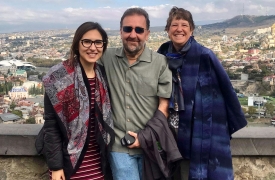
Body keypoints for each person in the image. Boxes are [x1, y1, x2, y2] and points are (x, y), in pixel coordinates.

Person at [157, 7, 247, 180]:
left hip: (199, 128)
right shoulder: (160, 56)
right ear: (167, 30)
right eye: (174, 25)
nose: (179, 29)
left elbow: (225, 91)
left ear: (191, 30)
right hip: (169, 129)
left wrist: (226, 123)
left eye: (184, 25)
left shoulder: (205, 56)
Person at [98, 7, 174, 180]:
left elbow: (164, 106)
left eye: (139, 30)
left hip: (152, 145)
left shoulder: (160, 63)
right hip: (119, 146)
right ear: (120, 31)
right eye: (128, 29)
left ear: (147, 34)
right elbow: (81, 61)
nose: (133, 34)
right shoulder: (106, 57)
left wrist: (145, 137)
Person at [36, 22, 114, 180]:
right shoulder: (57, 77)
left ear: (104, 46)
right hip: (69, 163)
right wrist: (56, 166)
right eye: (87, 41)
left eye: (98, 42)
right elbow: (51, 125)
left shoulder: (103, 75)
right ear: (77, 43)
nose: (93, 47)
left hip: (99, 162)